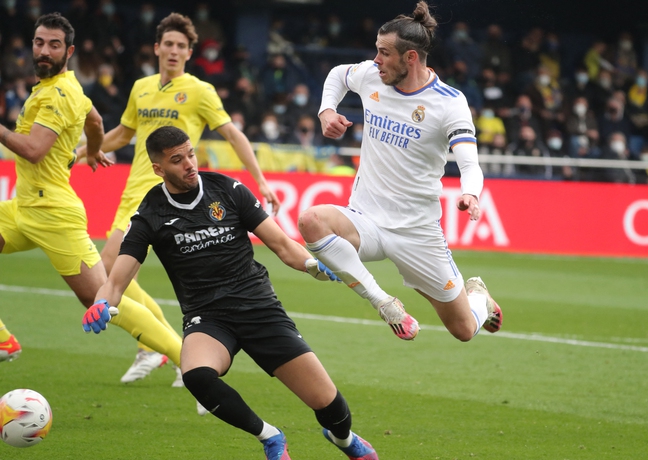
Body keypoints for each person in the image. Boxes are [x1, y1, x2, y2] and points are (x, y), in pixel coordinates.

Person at [87, 125, 378, 460]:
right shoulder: (150, 213)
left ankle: (344, 440)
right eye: (177, 160)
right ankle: (270, 437)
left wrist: (313, 266)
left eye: (191, 154)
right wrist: (100, 305)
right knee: (196, 374)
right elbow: (116, 281)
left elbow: (282, 244)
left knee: (328, 404)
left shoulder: (227, 189)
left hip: (259, 308)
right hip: (208, 318)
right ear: (158, 168)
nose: (189, 164)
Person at [77, 12, 282, 385]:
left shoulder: (200, 91)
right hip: (133, 193)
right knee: (111, 273)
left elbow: (233, 135)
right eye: (167, 44)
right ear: (157, 48)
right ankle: (153, 347)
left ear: (190, 52)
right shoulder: (141, 87)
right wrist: (80, 150)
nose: (173, 51)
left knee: (106, 268)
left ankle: (165, 348)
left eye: (181, 46)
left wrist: (261, 181)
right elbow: (123, 134)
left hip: (171, 197)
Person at [297, 1, 503, 342]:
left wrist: (470, 192)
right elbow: (337, 75)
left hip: (416, 232)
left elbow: (470, 164)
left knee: (463, 329)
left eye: (384, 53)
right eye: (376, 51)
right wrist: (327, 110)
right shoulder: (370, 76)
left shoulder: (448, 103)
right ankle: (385, 303)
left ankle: (480, 298)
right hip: (365, 218)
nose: (375, 60)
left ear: (410, 58)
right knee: (311, 221)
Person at [0, 13, 182, 371]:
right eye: (39, 42)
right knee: (106, 297)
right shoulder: (66, 89)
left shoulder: (58, 95)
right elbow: (96, 121)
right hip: (24, 207)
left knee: (102, 300)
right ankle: (4, 341)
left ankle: (187, 360)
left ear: (68, 51)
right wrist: (95, 148)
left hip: (54, 214)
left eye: (54, 45)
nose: (44, 51)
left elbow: (34, 149)